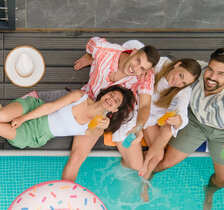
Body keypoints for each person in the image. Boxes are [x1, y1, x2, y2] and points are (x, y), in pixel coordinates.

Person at [153, 48, 224, 210]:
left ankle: (210, 190)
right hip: (195, 122)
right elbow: (164, 65)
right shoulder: (198, 69)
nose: (212, 77)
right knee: (162, 163)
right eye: (211, 70)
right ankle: (145, 178)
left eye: (221, 73)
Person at [52, 37, 160, 181]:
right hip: (94, 107)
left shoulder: (145, 75)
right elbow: (92, 42)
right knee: (76, 159)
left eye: (142, 68)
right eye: (137, 61)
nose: (135, 68)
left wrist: (139, 127)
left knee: (136, 165)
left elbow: (145, 105)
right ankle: (65, 197)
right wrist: (90, 56)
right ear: (133, 52)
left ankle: (121, 162)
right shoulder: (104, 51)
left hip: (120, 112)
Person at [0, 85, 134, 149]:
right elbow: (50, 107)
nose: (111, 99)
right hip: (36, 109)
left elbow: (92, 132)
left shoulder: (99, 125)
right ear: (105, 93)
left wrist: (102, 127)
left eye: (116, 101)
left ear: (116, 109)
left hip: (37, 135)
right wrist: (24, 118)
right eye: (111, 95)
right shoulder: (80, 96)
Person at [134, 57, 202, 200]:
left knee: (171, 126)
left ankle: (145, 167)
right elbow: (138, 49)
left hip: (157, 117)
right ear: (177, 65)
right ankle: (144, 179)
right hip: (143, 113)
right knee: (158, 156)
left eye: (184, 83)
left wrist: (179, 121)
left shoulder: (184, 91)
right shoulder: (160, 64)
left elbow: (183, 113)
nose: (178, 83)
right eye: (180, 75)